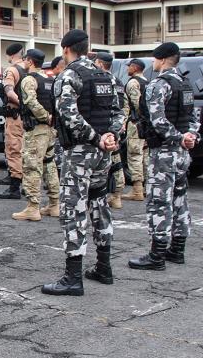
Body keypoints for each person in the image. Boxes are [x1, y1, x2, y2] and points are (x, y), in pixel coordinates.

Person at [41, 30, 124, 296]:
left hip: (79, 153)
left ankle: (73, 278)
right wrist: (110, 135)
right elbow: (120, 112)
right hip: (102, 154)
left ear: (66, 49)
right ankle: (103, 266)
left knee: (74, 210)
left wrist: (96, 138)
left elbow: (68, 114)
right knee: (99, 204)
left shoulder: (71, 75)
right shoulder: (106, 75)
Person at [128, 42, 199, 270]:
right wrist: (189, 137)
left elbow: (158, 120)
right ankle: (177, 249)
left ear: (161, 59)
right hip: (182, 153)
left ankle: (157, 255)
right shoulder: (185, 84)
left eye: (154, 58)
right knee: (180, 200)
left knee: (160, 202)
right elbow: (193, 118)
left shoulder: (159, 84)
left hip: (165, 152)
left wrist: (179, 138)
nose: (152, 62)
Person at [12, 48, 59, 221]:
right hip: (50, 130)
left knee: (32, 166)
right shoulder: (49, 79)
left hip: (37, 129)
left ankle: (33, 207)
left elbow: (31, 101)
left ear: (30, 61)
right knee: (49, 164)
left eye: (25, 59)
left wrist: (45, 117)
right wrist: (51, 119)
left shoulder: (29, 80)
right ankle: (54, 204)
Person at [93, 52, 125, 209]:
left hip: (102, 130)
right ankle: (117, 196)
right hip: (115, 128)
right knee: (116, 163)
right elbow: (122, 106)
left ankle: (99, 197)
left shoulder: (97, 79)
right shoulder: (117, 81)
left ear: (99, 63)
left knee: (101, 166)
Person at [0, 43, 26, 199]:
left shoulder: (11, 70)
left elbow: (10, 92)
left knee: (13, 149)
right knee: (25, 151)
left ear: (10, 55)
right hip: (28, 118)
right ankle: (25, 185)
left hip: (15, 116)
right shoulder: (29, 69)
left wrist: (23, 105)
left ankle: (14, 188)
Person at [121, 58, 148, 201]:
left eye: (129, 67)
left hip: (136, 123)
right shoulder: (147, 82)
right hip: (146, 125)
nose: (127, 69)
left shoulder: (133, 83)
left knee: (134, 155)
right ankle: (146, 188)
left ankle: (137, 190)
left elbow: (136, 104)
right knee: (145, 156)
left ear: (134, 67)